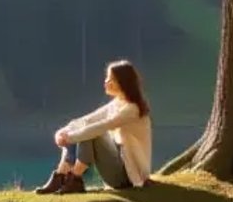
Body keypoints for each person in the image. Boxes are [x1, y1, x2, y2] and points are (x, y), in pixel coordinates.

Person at [34, 60, 153, 195]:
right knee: (87, 129)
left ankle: (74, 178)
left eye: (111, 79)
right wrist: (63, 131)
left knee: (93, 133)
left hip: (130, 177)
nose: (106, 81)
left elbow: (103, 125)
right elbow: (89, 119)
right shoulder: (117, 103)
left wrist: (71, 138)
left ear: (123, 82)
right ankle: (62, 176)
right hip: (116, 168)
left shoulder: (132, 109)